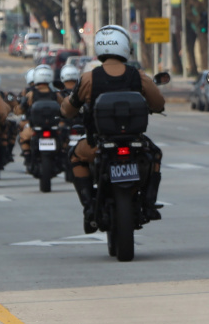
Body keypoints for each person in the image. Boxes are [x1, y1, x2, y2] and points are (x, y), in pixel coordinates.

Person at [60, 25, 166, 233]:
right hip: (137, 146)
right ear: (126, 47)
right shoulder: (139, 76)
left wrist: (65, 110)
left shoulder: (89, 78)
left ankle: (89, 206)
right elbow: (158, 104)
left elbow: (69, 109)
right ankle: (150, 202)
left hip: (98, 145)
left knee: (75, 157)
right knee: (155, 155)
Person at [16, 65, 63, 168]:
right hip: (52, 127)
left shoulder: (31, 94)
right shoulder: (55, 94)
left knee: (23, 138)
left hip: (35, 127)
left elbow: (20, 109)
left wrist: (19, 109)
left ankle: (28, 157)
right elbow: (64, 107)